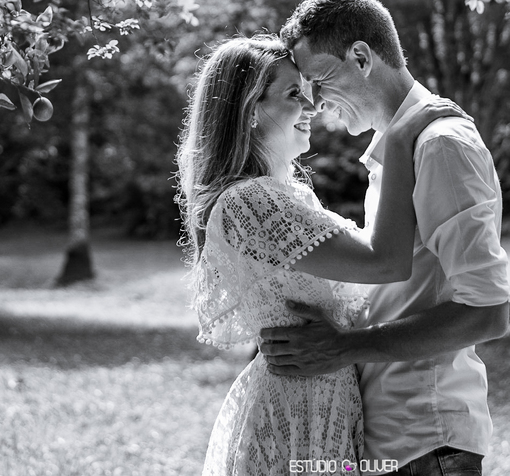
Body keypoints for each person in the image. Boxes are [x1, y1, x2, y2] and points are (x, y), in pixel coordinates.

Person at [178, 34, 461, 476]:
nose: (312, 106)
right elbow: (384, 263)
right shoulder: (249, 202)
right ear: (251, 111)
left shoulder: (282, 195)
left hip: (322, 402)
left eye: (309, 91)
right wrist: (401, 134)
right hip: (296, 411)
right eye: (294, 93)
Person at [261, 0, 510, 476]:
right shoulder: (397, 149)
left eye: (318, 80)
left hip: (429, 437)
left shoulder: (439, 146)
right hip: (391, 438)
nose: (315, 101)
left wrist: (342, 348)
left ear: (360, 57)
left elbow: (488, 314)